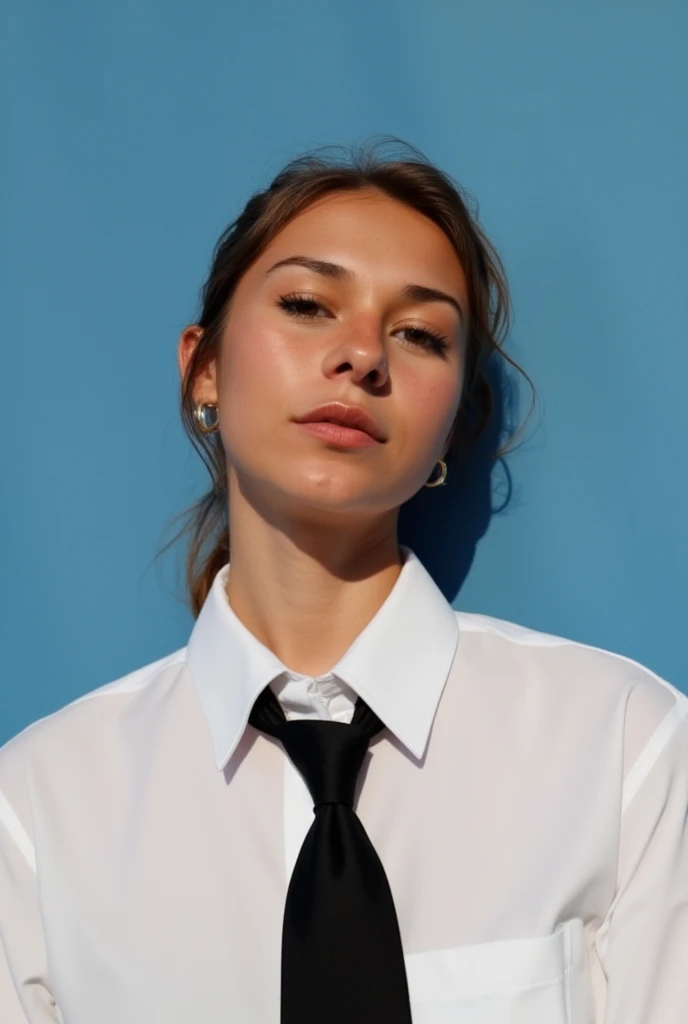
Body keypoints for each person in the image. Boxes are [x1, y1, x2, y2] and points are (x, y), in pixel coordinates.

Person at [1, 139, 686, 1024]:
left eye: (419, 333)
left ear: (452, 427)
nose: (363, 355)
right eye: (306, 303)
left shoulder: (622, 746)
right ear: (203, 368)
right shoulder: (40, 810)